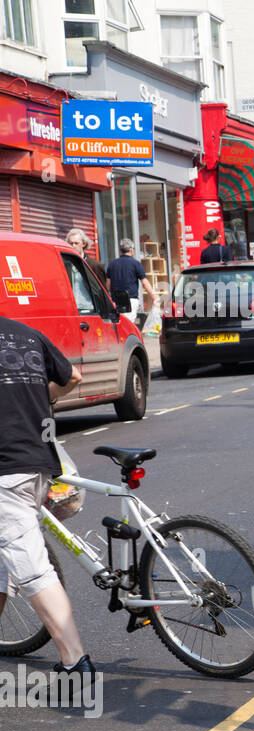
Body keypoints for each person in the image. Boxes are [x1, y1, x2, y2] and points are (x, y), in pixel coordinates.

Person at [0, 312, 93, 687]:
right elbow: (72, 377)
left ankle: (75, 661)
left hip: (5, 472)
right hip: (38, 464)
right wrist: (40, 399)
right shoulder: (26, 334)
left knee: (33, 568)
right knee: (5, 563)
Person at [106, 239, 154, 316]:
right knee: (128, 325)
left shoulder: (112, 264)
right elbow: (144, 283)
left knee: (117, 324)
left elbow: (108, 285)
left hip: (115, 300)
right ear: (131, 250)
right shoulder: (136, 264)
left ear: (120, 250)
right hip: (130, 300)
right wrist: (154, 297)